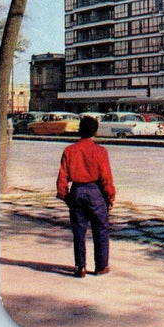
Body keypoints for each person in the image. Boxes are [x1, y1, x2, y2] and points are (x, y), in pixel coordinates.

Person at [56, 115, 116, 278]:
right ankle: (101, 266)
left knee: (79, 231)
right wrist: (110, 196)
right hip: (95, 192)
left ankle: (80, 266)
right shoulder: (100, 151)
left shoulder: (69, 151)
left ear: (79, 130)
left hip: (77, 191)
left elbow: (62, 176)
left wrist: (64, 195)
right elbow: (106, 177)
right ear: (95, 131)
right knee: (101, 230)